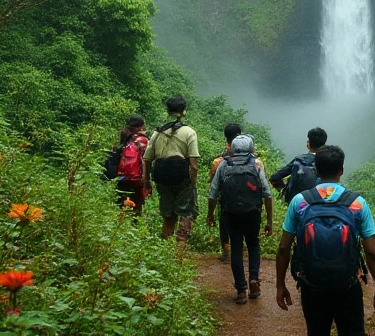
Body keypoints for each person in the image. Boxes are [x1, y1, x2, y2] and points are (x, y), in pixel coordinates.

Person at [275, 145, 375, 336]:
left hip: (311, 284)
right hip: (347, 284)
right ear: (341, 170)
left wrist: (280, 285)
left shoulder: (300, 201)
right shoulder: (357, 203)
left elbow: (284, 249)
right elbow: (372, 252)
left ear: (317, 170)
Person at [207, 133, 275, 304]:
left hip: (230, 212)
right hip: (253, 212)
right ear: (251, 148)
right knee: (253, 243)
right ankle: (254, 278)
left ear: (233, 148)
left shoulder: (223, 164)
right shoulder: (256, 164)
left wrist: (210, 215)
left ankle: (241, 290)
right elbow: (267, 194)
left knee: (236, 247)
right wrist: (269, 221)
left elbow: (213, 193)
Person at [143, 96, 201, 243]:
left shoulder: (158, 133)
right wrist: (193, 183)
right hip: (182, 179)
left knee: (168, 216)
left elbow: (147, 159)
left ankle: (165, 250)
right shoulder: (189, 132)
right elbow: (193, 163)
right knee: (186, 213)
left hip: (162, 178)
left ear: (168, 111)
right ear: (183, 111)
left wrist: (146, 181)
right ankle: (178, 255)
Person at [270, 127, 326, 202]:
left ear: (308, 144)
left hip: (297, 202)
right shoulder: (327, 162)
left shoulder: (299, 160)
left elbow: (275, 177)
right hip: (320, 203)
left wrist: (284, 190)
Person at [114, 115, 151, 216]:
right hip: (135, 180)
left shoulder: (122, 140)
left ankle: (120, 227)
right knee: (136, 209)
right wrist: (147, 181)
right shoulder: (143, 140)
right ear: (141, 127)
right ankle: (134, 229)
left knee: (122, 206)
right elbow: (146, 160)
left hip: (121, 178)